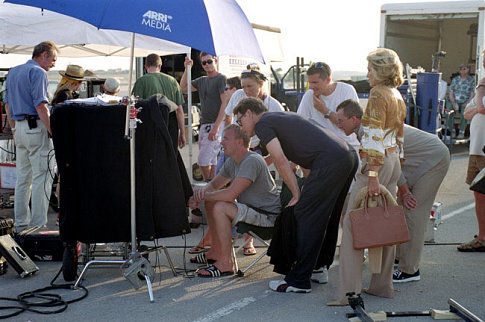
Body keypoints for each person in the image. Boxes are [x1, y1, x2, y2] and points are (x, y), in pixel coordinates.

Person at [234, 97, 358, 293]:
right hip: (347, 156)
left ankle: (299, 281)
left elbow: (279, 160)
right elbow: (306, 156)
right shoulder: (281, 117)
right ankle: (318, 267)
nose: (240, 127)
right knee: (328, 217)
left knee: (304, 216)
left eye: (239, 121)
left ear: (249, 113)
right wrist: (306, 188)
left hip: (331, 160)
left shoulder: (263, 124)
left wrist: (296, 192)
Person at [335, 100, 451, 283]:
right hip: (412, 160)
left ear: (354, 119)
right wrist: (403, 190)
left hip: (433, 159)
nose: (338, 125)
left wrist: (404, 192)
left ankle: (410, 270)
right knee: (401, 209)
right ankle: (399, 257)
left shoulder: (368, 131)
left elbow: (392, 158)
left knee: (414, 212)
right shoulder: (363, 129)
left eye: (341, 121)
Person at [331, 48, 407, 305]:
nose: (367, 74)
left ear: (382, 70)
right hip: (393, 159)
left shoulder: (377, 93)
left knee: (354, 223)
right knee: (386, 222)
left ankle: (348, 292)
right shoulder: (396, 94)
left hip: (378, 162)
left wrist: (372, 173)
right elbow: (398, 136)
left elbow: (373, 134)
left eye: (371, 69)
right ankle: (382, 286)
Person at [188, 124, 281, 277]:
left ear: (239, 142)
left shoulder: (252, 160)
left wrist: (204, 196)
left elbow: (230, 194)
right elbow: (213, 185)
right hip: (253, 210)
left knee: (220, 207)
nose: (221, 142)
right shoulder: (233, 161)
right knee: (212, 201)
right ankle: (215, 252)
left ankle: (225, 263)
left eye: (225, 138)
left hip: (267, 217)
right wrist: (197, 196)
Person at [3, 41, 59, 233]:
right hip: (35, 128)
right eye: (53, 59)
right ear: (43, 55)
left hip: (19, 128)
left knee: (23, 179)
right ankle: (37, 226)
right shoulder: (38, 73)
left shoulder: (13, 72)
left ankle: (20, 224)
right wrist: (54, 131)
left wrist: (14, 128)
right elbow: (40, 106)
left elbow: (7, 105)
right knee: (41, 177)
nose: (53, 64)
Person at [189, 76, 242, 255]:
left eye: (228, 88)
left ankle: (238, 242)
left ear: (236, 89)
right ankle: (214, 239)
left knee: (226, 198)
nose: (225, 91)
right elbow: (229, 123)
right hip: (229, 155)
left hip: (242, 157)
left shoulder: (243, 106)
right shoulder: (231, 106)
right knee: (215, 191)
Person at [180, 52, 227, 180]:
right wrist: (187, 68)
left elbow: (225, 104)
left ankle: (208, 183)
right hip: (204, 124)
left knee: (203, 160)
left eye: (209, 61)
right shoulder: (202, 80)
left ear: (215, 61)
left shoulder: (221, 79)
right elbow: (183, 87)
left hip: (215, 125)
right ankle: (212, 185)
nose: (207, 65)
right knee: (210, 159)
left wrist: (216, 127)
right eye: (204, 63)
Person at [297, 62, 360, 153]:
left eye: (315, 83)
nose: (311, 87)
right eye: (310, 82)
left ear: (328, 80)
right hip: (321, 151)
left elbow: (351, 126)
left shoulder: (346, 91)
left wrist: (325, 111)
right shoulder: (309, 95)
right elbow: (301, 126)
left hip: (347, 149)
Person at [458, 53, 485, 252]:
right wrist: (478, 101)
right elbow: (467, 113)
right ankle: (482, 237)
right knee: (479, 195)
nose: (483, 64)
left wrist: (479, 103)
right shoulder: (480, 91)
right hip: (476, 151)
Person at [132, 53, 186, 148]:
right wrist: (182, 133)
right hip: (171, 125)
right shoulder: (173, 81)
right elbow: (179, 110)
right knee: (171, 157)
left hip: (151, 125)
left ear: (145, 66)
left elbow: (136, 108)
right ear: (160, 65)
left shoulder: (141, 81)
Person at [449, 63, 475, 139]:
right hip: (455, 100)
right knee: (448, 109)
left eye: (464, 69)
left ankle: (461, 132)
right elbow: (451, 92)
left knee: (466, 111)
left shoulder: (471, 80)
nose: (462, 71)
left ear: (468, 69)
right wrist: (453, 103)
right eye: (461, 69)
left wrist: (467, 102)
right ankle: (452, 131)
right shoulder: (455, 79)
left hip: (465, 101)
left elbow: (472, 93)